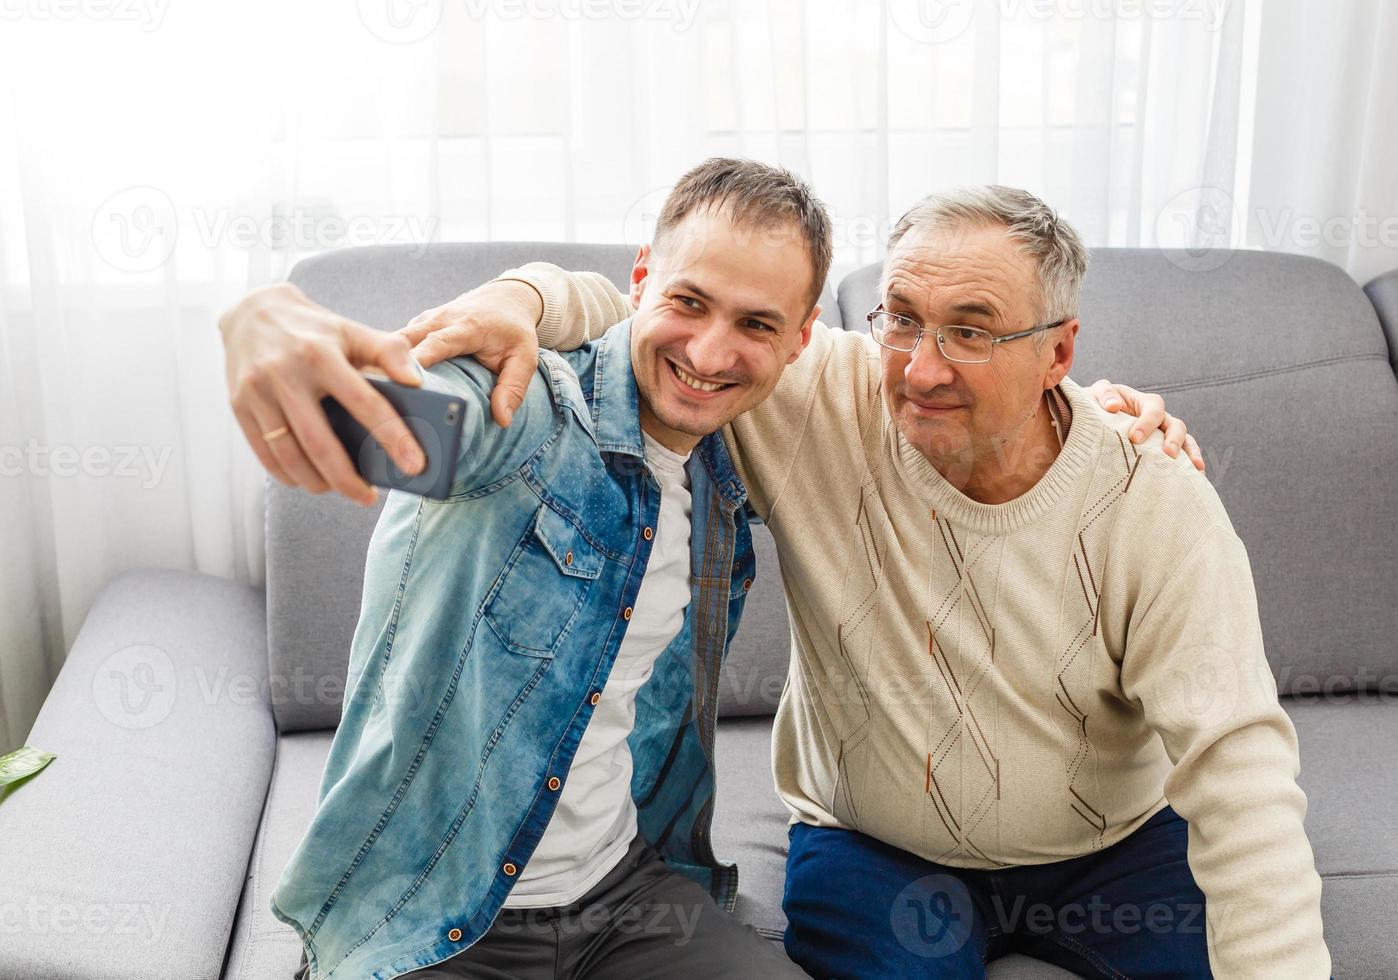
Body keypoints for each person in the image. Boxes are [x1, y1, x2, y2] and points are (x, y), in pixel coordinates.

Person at [219, 161, 1196, 978]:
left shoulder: (735, 462)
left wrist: (1097, 415)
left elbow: (994, 409)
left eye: (756, 325)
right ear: (642, 282)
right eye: (687, 301)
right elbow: (383, 422)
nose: (712, 351)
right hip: (438, 902)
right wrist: (264, 319)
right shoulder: (521, 409)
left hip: (633, 897)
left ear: (800, 340)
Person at [410, 185, 1332, 977]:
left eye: (971, 331)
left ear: (1058, 352)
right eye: (901, 318)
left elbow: (1241, 772)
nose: (921, 369)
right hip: (876, 847)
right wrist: (520, 299)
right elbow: (654, 312)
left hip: (1112, 849)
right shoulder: (806, 387)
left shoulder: (1151, 497)